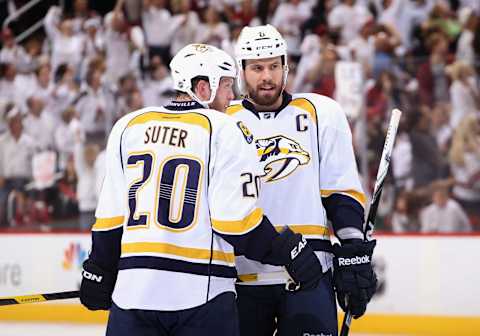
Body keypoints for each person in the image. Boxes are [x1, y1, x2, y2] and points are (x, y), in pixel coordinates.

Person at [78, 43, 322, 336]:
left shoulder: (128, 126)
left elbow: (111, 218)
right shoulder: (222, 129)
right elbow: (235, 222)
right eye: (227, 86)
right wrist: (288, 250)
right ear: (203, 88)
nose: (232, 97)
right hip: (201, 298)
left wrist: (99, 269)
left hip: (133, 296)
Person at [227, 25, 377, 336]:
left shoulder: (321, 112)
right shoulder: (222, 121)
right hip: (239, 277)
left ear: (286, 67)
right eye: (256, 68)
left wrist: (353, 249)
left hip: (311, 272)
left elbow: (340, 189)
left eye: (273, 66)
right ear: (241, 71)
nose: (266, 76)